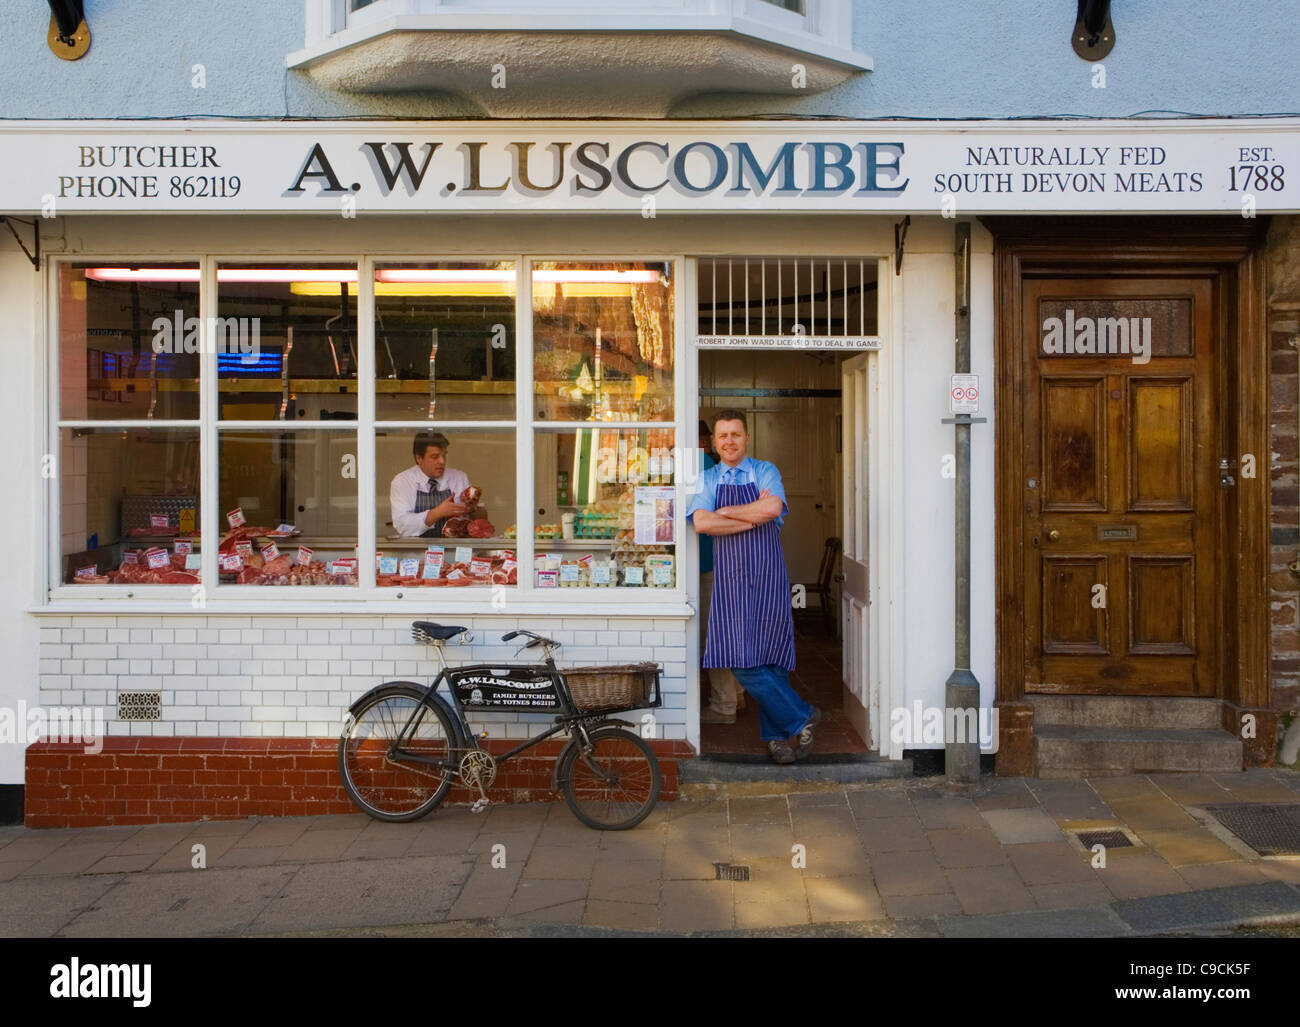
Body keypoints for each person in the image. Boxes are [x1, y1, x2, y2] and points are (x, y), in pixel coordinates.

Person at [687, 410, 819, 763]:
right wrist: (751, 516)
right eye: (723, 436)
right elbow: (701, 522)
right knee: (740, 659)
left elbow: (773, 506)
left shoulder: (766, 470)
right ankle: (801, 716)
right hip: (728, 581)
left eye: (735, 434)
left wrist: (727, 512)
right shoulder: (707, 478)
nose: (729, 440)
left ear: (746, 438)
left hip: (768, 575)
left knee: (772, 657)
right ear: (714, 443)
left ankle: (777, 740)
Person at [696, 420, 744, 725]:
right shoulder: (715, 469)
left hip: (707, 564)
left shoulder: (696, 462)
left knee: (714, 637)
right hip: (722, 562)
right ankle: (736, 696)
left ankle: (724, 705)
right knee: (727, 632)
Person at [390, 432, 480, 538]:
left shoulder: (459, 477)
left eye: (444, 455)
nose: (442, 461)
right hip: (417, 551)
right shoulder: (403, 481)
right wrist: (437, 513)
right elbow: (402, 525)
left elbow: (478, 518)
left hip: (452, 549)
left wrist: (474, 509)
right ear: (419, 458)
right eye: (435, 456)